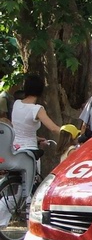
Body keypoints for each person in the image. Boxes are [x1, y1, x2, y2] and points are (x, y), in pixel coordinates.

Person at [10, 74, 61, 203]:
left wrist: (37, 138)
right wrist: (68, 132)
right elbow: (53, 128)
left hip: (15, 149)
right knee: (31, 187)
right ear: (40, 90)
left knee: (19, 190)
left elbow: (20, 128)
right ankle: (30, 209)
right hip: (29, 152)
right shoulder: (37, 109)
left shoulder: (16, 104)